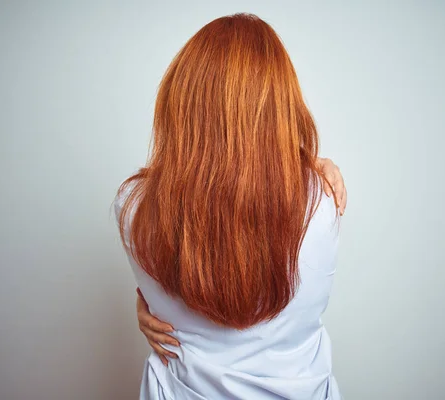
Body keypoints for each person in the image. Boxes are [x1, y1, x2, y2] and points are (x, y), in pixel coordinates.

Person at [114, 13, 347, 399]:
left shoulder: (132, 208)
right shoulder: (323, 203)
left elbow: (187, 275)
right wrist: (312, 162)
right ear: (280, 106)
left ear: (180, 101)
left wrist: (146, 304)